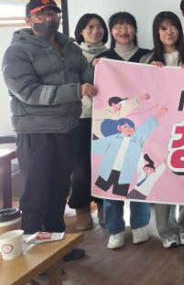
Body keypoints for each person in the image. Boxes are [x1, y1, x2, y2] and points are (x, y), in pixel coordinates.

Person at [2, 0, 96, 262]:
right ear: (28, 19)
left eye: (53, 14)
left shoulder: (70, 47)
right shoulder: (17, 51)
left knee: (58, 192)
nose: (48, 19)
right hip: (36, 132)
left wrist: (99, 69)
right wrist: (75, 90)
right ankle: (33, 258)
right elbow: (28, 92)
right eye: (41, 15)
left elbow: (86, 76)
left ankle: (55, 249)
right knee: (37, 194)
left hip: (67, 129)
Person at [142, 11, 184, 249]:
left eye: (173, 27)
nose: (169, 32)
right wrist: (152, 74)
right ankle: (166, 230)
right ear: (156, 32)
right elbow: (142, 94)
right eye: (163, 28)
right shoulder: (148, 60)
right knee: (162, 179)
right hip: (159, 129)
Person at [94, 12, 154, 250]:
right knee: (111, 180)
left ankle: (140, 225)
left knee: (137, 176)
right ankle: (115, 229)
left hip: (139, 130)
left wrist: (158, 70)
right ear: (111, 31)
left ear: (135, 29)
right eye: (118, 27)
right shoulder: (103, 60)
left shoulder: (148, 56)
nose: (123, 30)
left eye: (128, 26)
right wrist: (95, 68)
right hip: (109, 133)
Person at [71, 13, 109, 230]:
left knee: (105, 166)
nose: (96, 31)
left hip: (106, 119)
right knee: (81, 168)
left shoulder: (110, 55)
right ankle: (81, 209)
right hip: (81, 117)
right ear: (81, 31)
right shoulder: (72, 54)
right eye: (90, 27)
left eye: (99, 27)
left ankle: (104, 207)